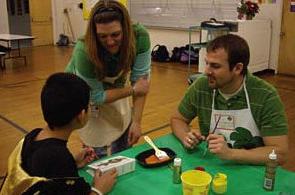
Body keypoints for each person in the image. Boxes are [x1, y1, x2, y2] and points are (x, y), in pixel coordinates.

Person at [171, 34, 288, 165]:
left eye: (215, 66)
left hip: (252, 171)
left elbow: (279, 153)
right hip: (212, 166)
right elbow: (178, 119)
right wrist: (186, 137)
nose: (206, 71)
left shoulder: (265, 95)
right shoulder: (202, 86)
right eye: (207, 63)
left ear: (238, 68)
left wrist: (232, 154)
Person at [1, 73, 117, 195]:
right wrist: (98, 189)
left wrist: (72, 163)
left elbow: (42, 173)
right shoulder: (59, 157)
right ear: (81, 115)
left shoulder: (32, 136)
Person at [65, 0, 150, 157]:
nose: (110, 42)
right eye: (102, 36)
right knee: (96, 153)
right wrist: (132, 89)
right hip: (86, 92)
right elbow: (96, 97)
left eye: (116, 34)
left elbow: (141, 84)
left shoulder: (140, 36)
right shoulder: (83, 50)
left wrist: (137, 122)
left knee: (123, 143)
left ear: (126, 28)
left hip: (115, 87)